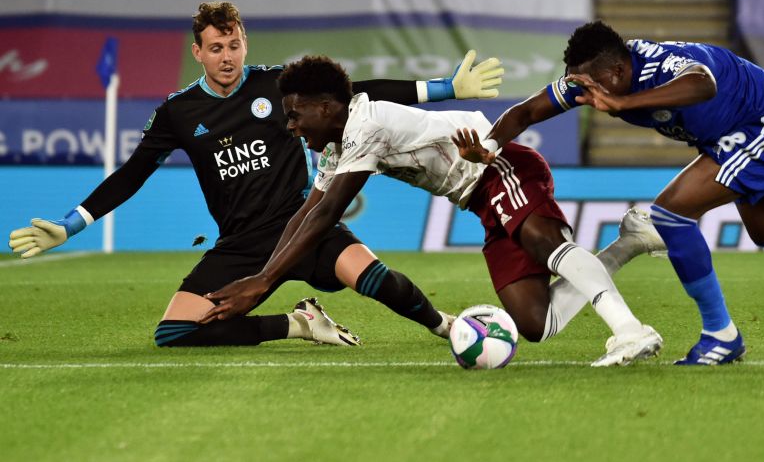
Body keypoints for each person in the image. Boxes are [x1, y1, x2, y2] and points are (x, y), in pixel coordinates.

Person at [7, 0, 505, 348]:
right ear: (197, 52)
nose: (228, 57)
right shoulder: (178, 113)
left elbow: (358, 90)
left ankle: (449, 328)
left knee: (374, 279)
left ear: (245, 43)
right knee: (175, 333)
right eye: (216, 48)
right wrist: (72, 224)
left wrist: (446, 87)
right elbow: (132, 174)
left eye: (235, 45)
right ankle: (298, 324)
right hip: (241, 244)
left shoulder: (276, 84)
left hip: (305, 225)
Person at [453, 20, 764, 366]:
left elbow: (702, 84)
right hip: (732, 131)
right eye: (576, 82)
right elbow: (527, 111)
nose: (580, 90)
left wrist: (624, 102)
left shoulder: (663, 66)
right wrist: (492, 145)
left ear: (616, 71)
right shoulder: (594, 79)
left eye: (588, 83)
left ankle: (721, 336)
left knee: (669, 216)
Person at [200, 55, 667, 367]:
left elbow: (326, 218)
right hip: (479, 201)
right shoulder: (337, 146)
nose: (291, 125)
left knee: (546, 244)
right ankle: (630, 240)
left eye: (297, 114)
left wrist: (262, 283)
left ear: (327, 107)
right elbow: (306, 214)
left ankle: (630, 330)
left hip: (497, 166)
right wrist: (260, 279)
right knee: (534, 323)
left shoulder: (368, 124)